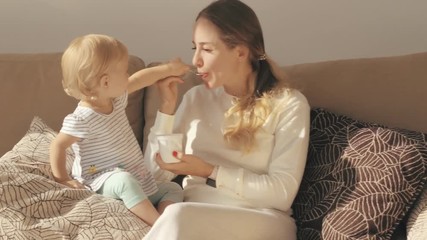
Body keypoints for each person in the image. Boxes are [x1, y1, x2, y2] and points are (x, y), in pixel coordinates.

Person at [143, 0, 310, 239]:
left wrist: (210, 171)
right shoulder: (195, 98)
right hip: (195, 216)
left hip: (261, 219)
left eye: (207, 49)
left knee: (177, 215)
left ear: (241, 52)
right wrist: (167, 110)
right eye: (195, 48)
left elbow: (281, 193)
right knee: (177, 214)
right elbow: (153, 176)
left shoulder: (289, 104)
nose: (195, 61)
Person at [49, 34, 188, 226]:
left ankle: (164, 219)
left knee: (173, 188)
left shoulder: (115, 99)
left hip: (135, 177)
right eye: (124, 72)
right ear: (105, 82)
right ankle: (160, 228)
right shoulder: (81, 119)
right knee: (124, 181)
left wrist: (168, 69)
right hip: (100, 180)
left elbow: (141, 79)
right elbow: (57, 146)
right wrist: (63, 179)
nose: (128, 76)